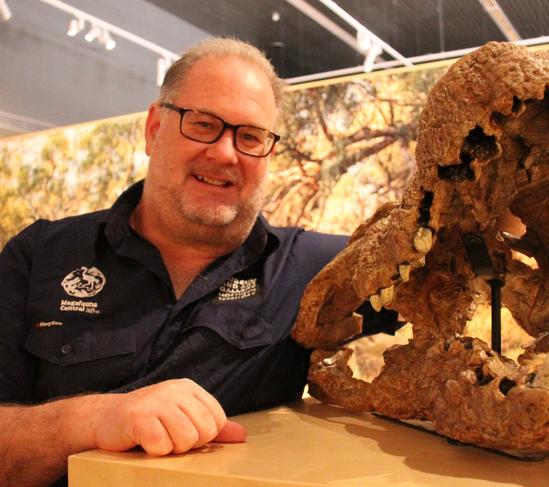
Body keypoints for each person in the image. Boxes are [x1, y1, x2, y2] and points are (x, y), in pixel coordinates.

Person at [0, 38, 396, 487]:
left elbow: (457, 267)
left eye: (250, 137)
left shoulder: (312, 268)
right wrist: (92, 418)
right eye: (203, 124)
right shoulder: (40, 256)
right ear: (153, 128)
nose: (225, 153)